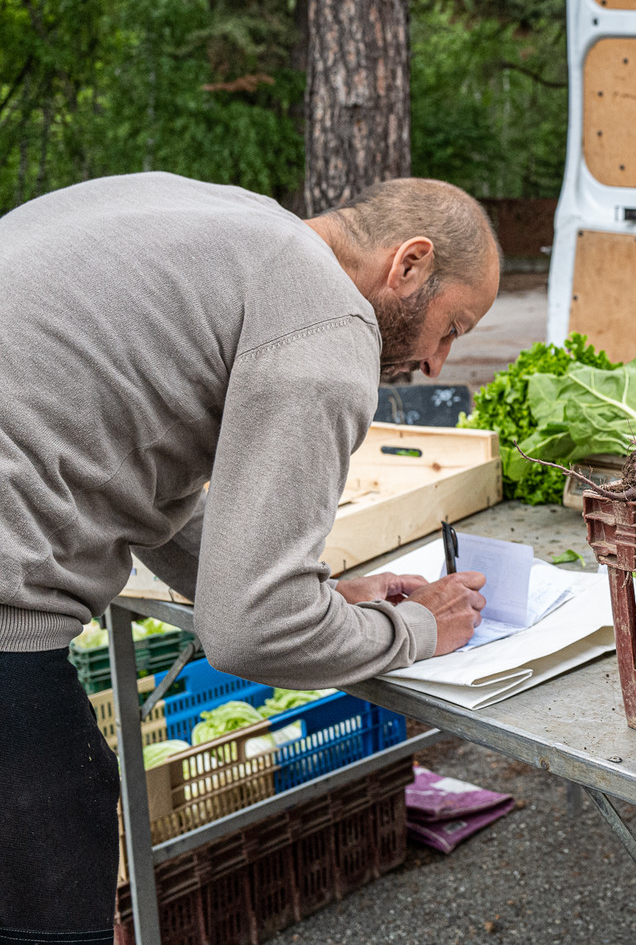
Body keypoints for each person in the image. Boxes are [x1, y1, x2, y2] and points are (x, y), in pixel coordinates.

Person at [0, 173, 500, 941]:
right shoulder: (325, 316)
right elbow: (249, 632)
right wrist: (419, 631)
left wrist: (327, 593)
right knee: (54, 834)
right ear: (410, 264)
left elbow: (147, 471)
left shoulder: (239, 230)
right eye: (453, 326)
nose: (437, 364)